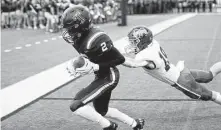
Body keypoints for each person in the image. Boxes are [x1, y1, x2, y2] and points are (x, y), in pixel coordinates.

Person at [61, 5, 145, 130]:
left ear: (81, 26)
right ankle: (135, 124)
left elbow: (119, 59)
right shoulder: (80, 37)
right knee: (101, 110)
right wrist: (77, 64)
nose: (68, 32)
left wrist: (95, 66)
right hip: (101, 75)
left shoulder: (97, 39)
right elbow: (86, 55)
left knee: (76, 105)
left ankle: (108, 126)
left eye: (71, 29)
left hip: (109, 76)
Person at [122, 26, 221, 105]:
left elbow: (132, 64)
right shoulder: (153, 43)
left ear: (143, 41)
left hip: (181, 81)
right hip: (180, 70)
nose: (132, 44)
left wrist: (115, 58)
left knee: (210, 95)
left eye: (134, 42)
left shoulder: (144, 56)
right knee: (209, 75)